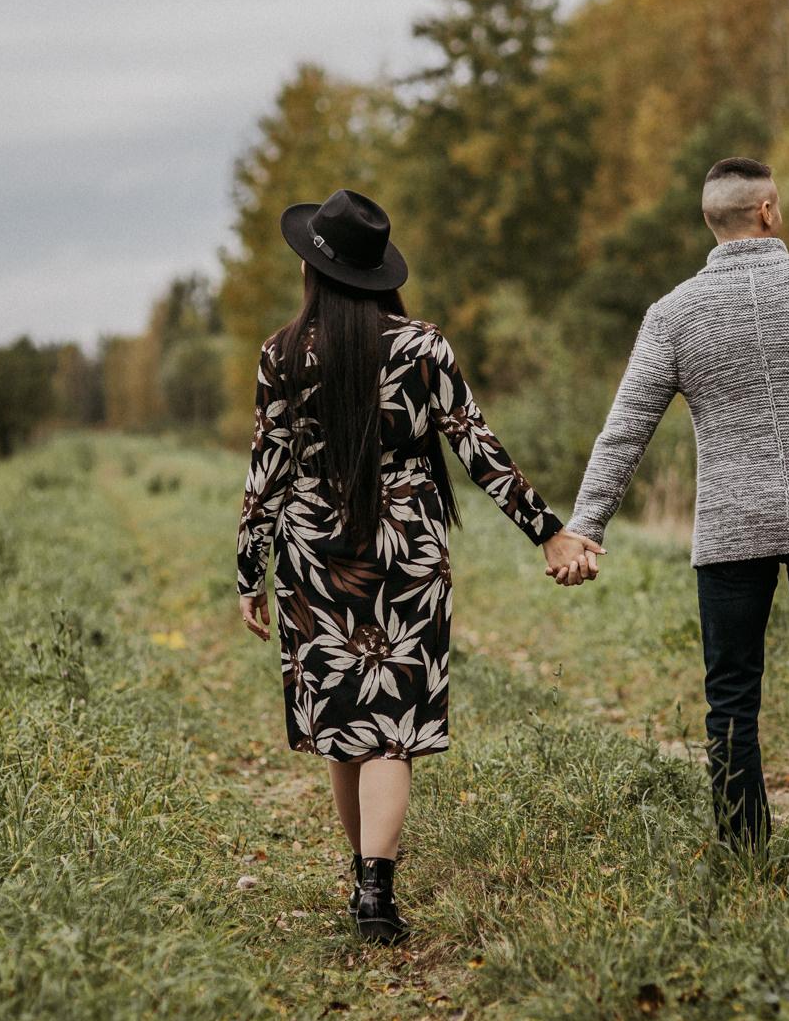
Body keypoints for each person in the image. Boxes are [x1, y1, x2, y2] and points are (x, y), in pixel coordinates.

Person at [235, 188, 603, 942]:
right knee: (390, 727)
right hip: (406, 547)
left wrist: (250, 570)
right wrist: (548, 531)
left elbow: (265, 470)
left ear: (312, 269)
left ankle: (364, 882)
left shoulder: (281, 354)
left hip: (312, 549)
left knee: (343, 721)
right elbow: (476, 446)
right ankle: (377, 889)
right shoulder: (421, 346)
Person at [560, 157, 789, 876]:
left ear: (711, 221)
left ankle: (745, 849)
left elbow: (626, 429)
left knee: (732, 689)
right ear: (768, 210)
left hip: (731, 527)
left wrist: (587, 525)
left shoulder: (674, 313)